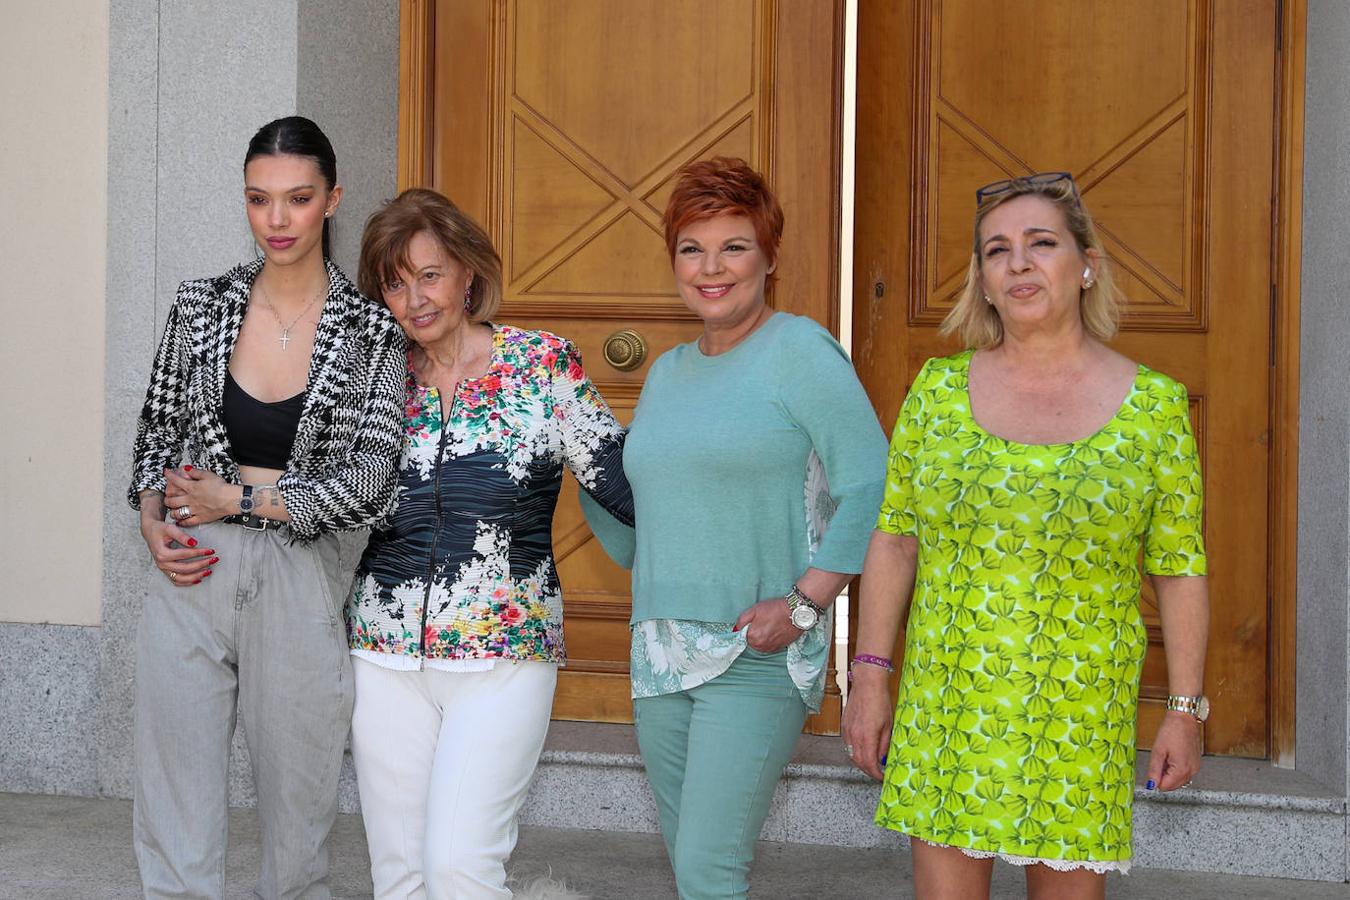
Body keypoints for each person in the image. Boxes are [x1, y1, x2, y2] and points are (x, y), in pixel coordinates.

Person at [842, 172, 1209, 899]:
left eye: (1042, 244)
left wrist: (1185, 709)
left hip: (1080, 708)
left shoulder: (1156, 409)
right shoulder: (937, 393)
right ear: (981, 280)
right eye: (996, 251)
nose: (1018, 264)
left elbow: (1178, 567)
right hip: (950, 699)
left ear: (1086, 265)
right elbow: (896, 540)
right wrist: (870, 675)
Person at [582, 157, 887, 899]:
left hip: (756, 650)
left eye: (733, 246)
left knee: (708, 871)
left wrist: (806, 603)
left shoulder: (798, 352)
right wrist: (579, 461)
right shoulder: (668, 373)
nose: (711, 268)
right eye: (692, 249)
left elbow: (877, 485)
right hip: (660, 654)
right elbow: (641, 531)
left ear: (769, 257)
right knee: (695, 870)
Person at [128, 115, 407, 899]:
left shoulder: (370, 331)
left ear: (331, 200)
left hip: (298, 577)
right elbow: (157, 430)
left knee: (298, 814)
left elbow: (373, 481)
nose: (276, 221)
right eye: (259, 200)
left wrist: (243, 498)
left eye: (296, 199)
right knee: (174, 793)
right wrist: (153, 518)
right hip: (191, 572)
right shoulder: (200, 306)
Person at [345, 187, 633, 899]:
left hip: (505, 652)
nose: (414, 298)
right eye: (395, 281)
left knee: (460, 868)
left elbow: (628, 488)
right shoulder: (372, 380)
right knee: (401, 877)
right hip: (381, 653)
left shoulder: (541, 366)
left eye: (431, 274)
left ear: (469, 274)